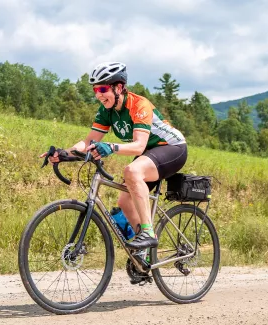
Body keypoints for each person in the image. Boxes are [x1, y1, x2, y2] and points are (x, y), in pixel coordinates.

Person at [42, 62, 187, 261]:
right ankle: (143, 253)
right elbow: (87, 143)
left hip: (172, 148)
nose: (98, 95)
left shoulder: (139, 105)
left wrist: (110, 147)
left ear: (119, 87)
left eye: (102, 89)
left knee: (132, 171)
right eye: (95, 90)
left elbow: (137, 146)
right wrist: (63, 153)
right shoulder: (106, 111)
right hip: (149, 152)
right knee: (124, 200)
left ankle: (148, 233)